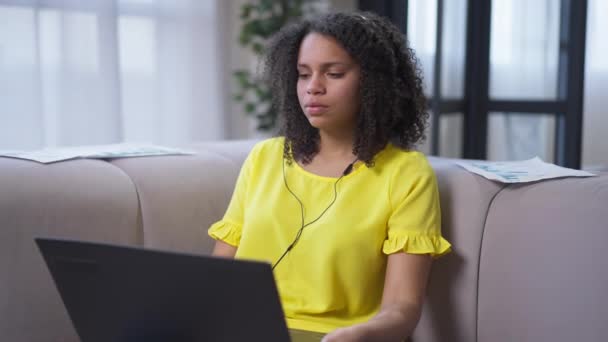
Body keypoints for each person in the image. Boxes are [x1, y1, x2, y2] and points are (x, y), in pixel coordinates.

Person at [208, 11, 451, 342]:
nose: (313, 88)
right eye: (303, 74)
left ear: (373, 83)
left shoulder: (406, 174)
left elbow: (403, 308)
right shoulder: (264, 159)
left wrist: (360, 335)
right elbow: (218, 278)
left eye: (334, 74)